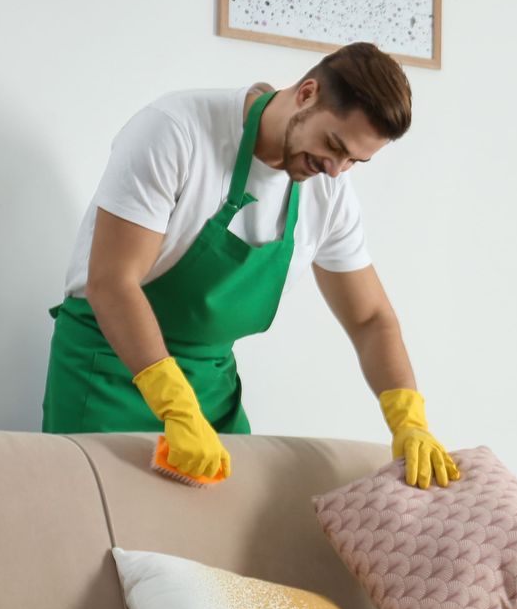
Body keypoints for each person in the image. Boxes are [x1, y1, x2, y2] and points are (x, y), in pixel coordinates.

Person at [42, 43, 458, 491]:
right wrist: (175, 406)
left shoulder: (329, 191)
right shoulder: (175, 131)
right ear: (307, 94)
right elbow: (113, 282)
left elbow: (370, 318)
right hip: (108, 371)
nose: (336, 170)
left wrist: (408, 420)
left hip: (210, 390)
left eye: (355, 161)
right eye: (334, 145)